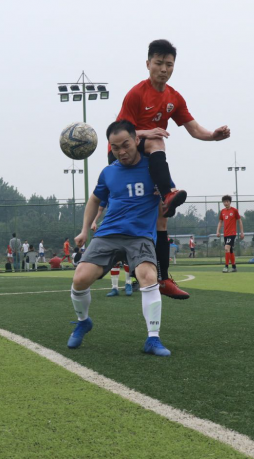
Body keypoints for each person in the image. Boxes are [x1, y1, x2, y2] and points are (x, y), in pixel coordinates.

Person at [113, 39, 230, 300]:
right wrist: (147, 132)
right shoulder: (136, 94)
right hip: (124, 154)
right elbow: (120, 134)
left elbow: (194, 128)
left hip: (150, 158)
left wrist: (213, 136)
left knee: (162, 218)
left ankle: (163, 278)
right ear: (148, 64)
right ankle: (166, 196)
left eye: (169, 64)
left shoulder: (174, 97)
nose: (164, 69)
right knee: (156, 140)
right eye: (159, 63)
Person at [67, 120, 172, 357]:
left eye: (126, 145)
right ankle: (83, 321)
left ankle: (153, 339)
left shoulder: (153, 168)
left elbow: (168, 197)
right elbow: (95, 199)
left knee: (148, 277)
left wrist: (165, 207)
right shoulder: (109, 172)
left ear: (136, 140)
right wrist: (84, 230)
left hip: (140, 236)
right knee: (80, 278)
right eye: (115, 148)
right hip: (108, 233)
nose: (121, 152)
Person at [216, 195, 245, 273]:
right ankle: (234, 267)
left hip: (232, 233)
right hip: (225, 234)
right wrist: (218, 231)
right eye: (224, 202)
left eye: (227, 201)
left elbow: (239, 221)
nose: (225, 203)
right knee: (230, 250)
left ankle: (226, 267)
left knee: (226, 248)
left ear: (230, 202)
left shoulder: (234, 210)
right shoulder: (222, 211)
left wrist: (242, 232)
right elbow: (220, 222)